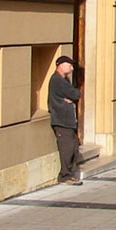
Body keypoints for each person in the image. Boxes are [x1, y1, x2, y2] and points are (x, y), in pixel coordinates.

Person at [48, 55, 83, 185]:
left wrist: (71, 97)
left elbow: (74, 95)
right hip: (62, 120)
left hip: (68, 120)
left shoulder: (64, 80)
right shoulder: (58, 80)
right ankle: (65, 175)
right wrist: (72, 97)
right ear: (61, 66)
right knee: (67, 149)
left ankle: (70, 173)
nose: (72, 68)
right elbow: (76, 94)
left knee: (74, 148)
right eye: (69, 65)